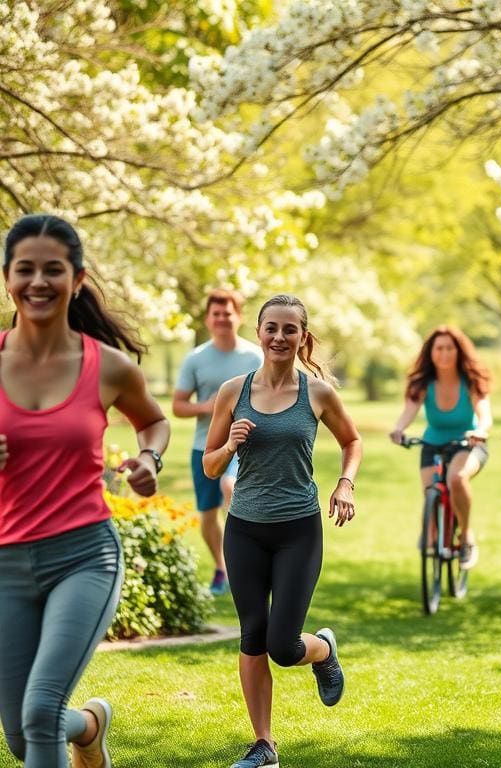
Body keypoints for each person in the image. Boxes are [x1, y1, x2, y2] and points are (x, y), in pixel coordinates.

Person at [0, 214, 170, 768]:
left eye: (53, 269)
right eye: (25, 269)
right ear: (7, 278)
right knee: (22, 735)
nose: (38, 281)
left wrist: (149, 459)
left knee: (40, 712)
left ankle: (73, 724)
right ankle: (90, 726)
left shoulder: (109, 367)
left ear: (77, 279)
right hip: (6, 562)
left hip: (84, 557)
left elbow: (153, 422)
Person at [203, 294, 360, 768]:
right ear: (258, 333)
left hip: (298, 531)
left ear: (302, 337)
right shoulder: (232, 392)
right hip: (244, 530)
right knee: (253, 635)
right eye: (271, 327)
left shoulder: (318, 393)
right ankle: (264, 746)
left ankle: (323, 649)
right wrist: (229, 445)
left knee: (283, 647)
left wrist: (345, 483)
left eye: (289, 329)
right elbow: (210, 467)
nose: (279, 336)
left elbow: (352, 440)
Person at [174, 289, 262, 596]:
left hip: (246, 445)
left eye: (228, 313)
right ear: (208, 319)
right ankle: (222, 567)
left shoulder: (255, 356)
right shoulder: (196, 359)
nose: (223, 319)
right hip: (205, 446)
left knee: (230, 488)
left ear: (239, 316)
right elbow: (178, 406)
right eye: (217, 314)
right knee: (209, 514)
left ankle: (245, 562)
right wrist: (205, 407)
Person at [390, 326, 492, 570]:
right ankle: (432, 530)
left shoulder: (471, 381)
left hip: (467, 444)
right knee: (431, 495)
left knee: (456, 478)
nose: (444, 353)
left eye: (449, 348)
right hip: (432, 445)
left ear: (458, 351)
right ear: (431, 352)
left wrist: (481, 430)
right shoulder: (423, 383)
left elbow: (485, 414)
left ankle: (466, 536)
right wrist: (399, 429)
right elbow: (409, 411)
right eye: (439, 348)